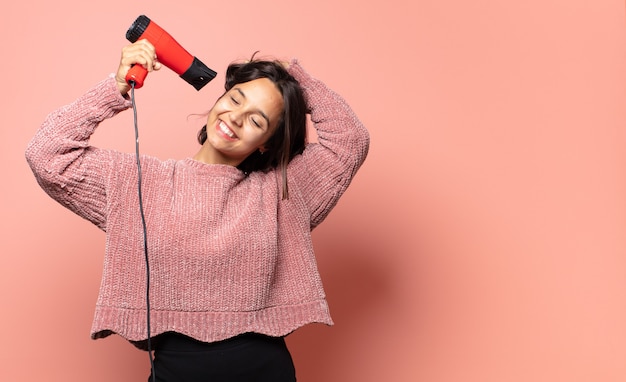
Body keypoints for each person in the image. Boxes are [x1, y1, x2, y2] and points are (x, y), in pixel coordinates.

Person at [25, 39, 369, 381]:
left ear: (266, 142)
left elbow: (350, 139)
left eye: (257, 120)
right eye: (235, 99)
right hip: (177, 370)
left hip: (266, 369)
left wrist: (291, 76)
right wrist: (115, 87)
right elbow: (47, 153)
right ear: (220, 98)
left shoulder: (283, 193)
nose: (235, 118)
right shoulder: (142, 184)